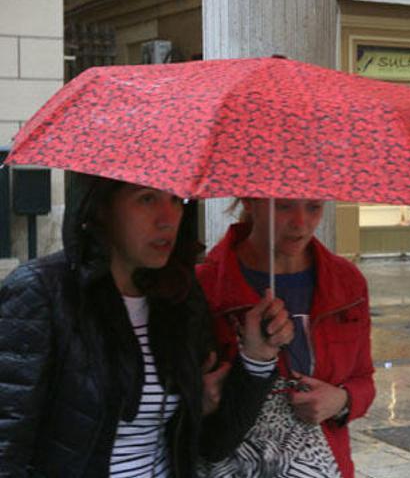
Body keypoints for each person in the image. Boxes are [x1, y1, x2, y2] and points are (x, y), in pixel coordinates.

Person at [0, 173, 292, 477]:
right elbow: (7, 447)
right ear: (101, 207)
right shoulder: (43, 292)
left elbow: (213, 446)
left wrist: (257, 359)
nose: (168, 219)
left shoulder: (178, 298)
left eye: (177, 199)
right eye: (147, 198)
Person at [196, 198, 375, 478]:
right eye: (284, 206)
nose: (301, 223)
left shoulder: (346, 282)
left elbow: (364, 378)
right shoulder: (205, 286)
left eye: (314, 207)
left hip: (322, 464)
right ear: (250, 200)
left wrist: (342, 400)